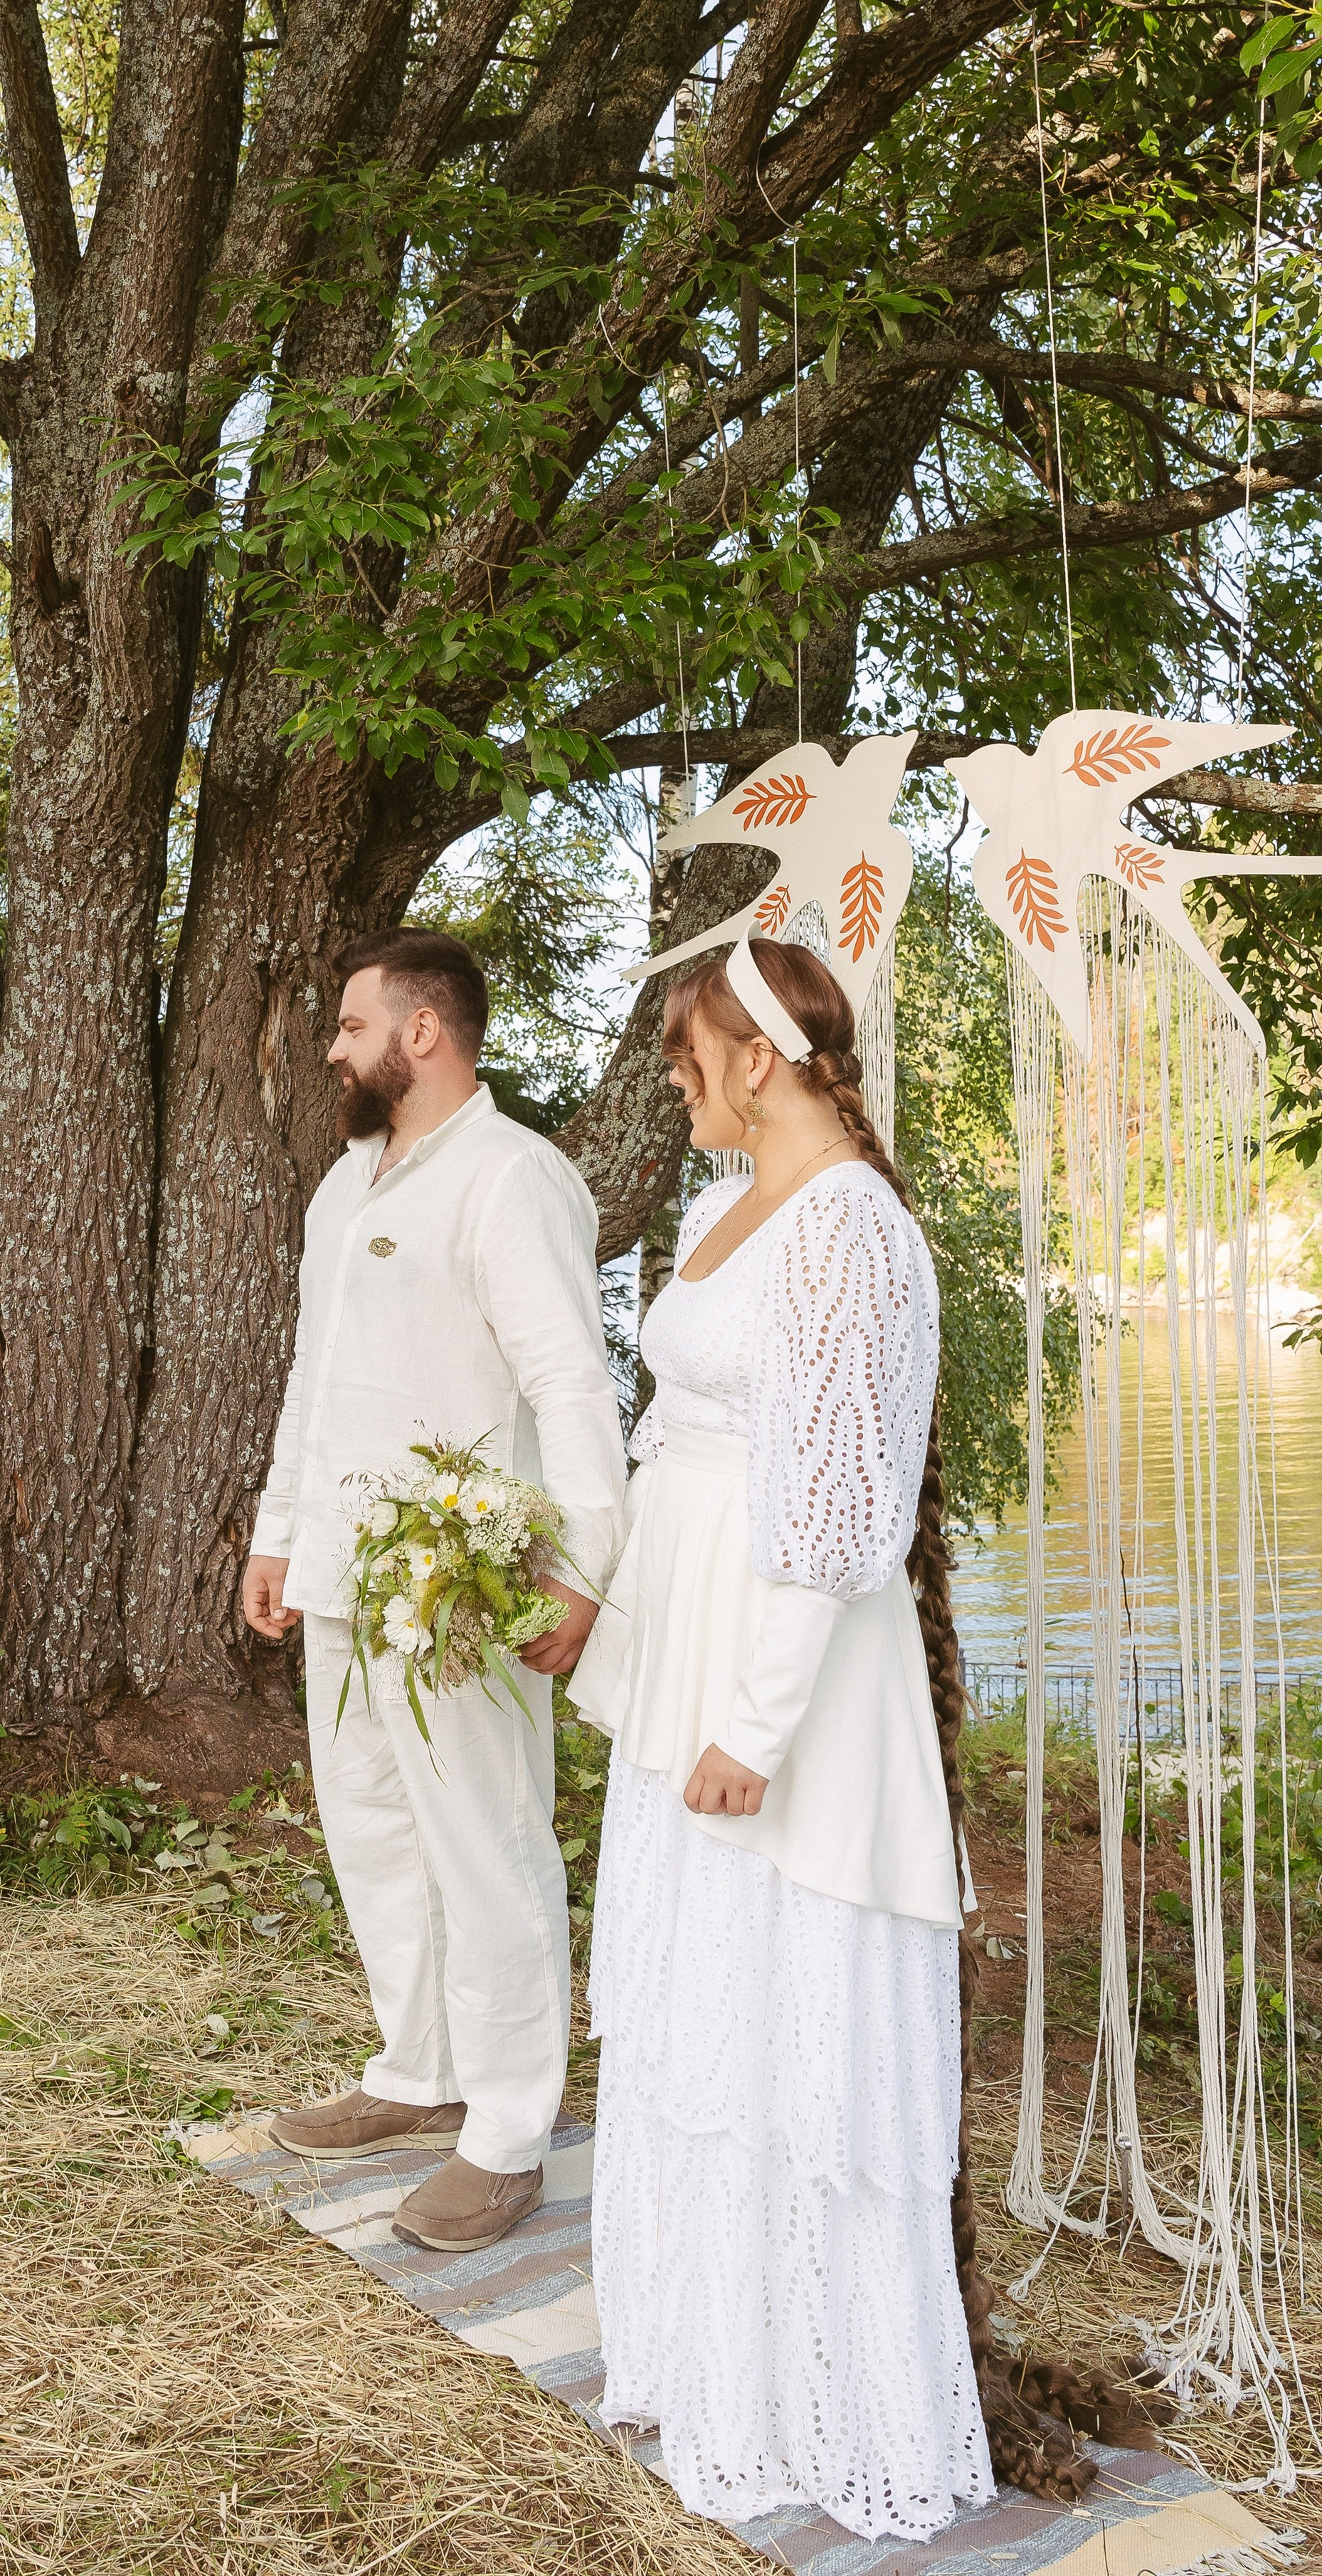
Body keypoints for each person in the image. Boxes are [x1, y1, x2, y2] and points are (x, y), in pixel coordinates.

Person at [569, 932, 1136, 2538]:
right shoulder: (719, 1210)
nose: (673, 1080)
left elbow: (834, 1511)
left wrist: (751, 1724)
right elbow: (673, 1434)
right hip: (685, 1649)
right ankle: (709, 2352)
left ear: (754, 1057)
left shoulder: (852, 1234)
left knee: (788, 2012)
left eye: (686, 1054)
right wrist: (601, 1607)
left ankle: (822, 2395)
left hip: (787, 1683)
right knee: (698, 2009)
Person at [243, 930, 628, 2253]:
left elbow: (571, 1384)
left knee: (487, 1838)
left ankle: (509, 2130)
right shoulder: (345, 1187)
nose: (333, 1049)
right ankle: (419, 2070)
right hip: (345, 1572)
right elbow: (315, 1377)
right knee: (371, 1824)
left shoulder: (514, 1178)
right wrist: (279, 1532)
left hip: (461, 1577)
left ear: (423, 1032)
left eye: (352, 1026)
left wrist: (580, 1570)